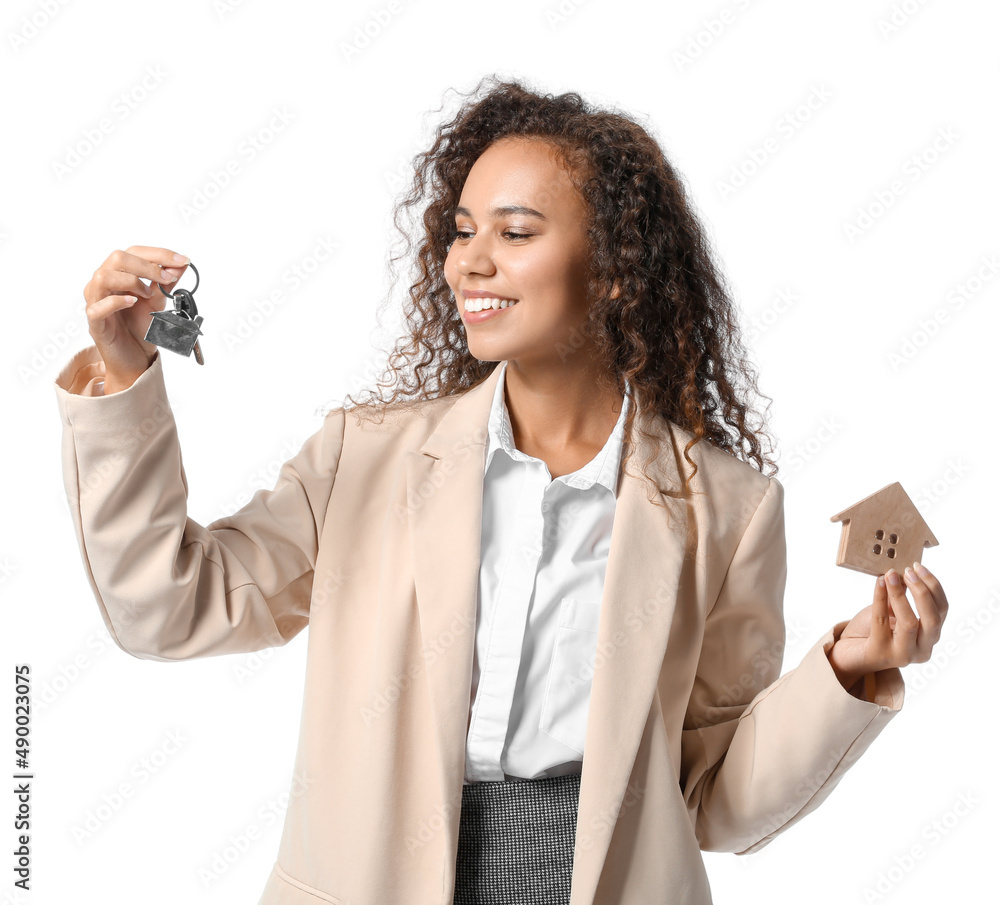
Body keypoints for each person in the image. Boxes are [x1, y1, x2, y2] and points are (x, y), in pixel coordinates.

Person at [53, 76, 948, 905]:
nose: (469, 262)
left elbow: (713, 797)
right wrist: (124, 376)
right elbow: (165, 610)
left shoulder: (727, 506)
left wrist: (847, 670)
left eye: (515, 234)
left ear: (613, 268)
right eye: (462, 229)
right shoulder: (361, 461)